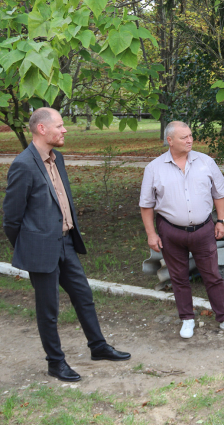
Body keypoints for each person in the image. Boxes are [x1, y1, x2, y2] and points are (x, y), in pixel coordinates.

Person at [3, 108, 131, 382]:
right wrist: (28, 247)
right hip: (41, 250)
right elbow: (11, 219)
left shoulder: (56, 158)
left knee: (84, 296)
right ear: (41, 129)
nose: (64, 130)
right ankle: (55, 363)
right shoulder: (23, 165)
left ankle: (98, 347)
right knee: (48, 310)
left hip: (66, 243)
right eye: (59, 125)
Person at [139, 121, 224, 339]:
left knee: (212, 275)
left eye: (190, 136)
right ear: (169, 140)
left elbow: (219, 194)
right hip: (170, 232)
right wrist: (151, 234)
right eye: (184, 137)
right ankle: (187, 318)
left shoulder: (206, 162)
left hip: (204, 230)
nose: (190, 140)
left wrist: (221, 221)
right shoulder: (154, 168)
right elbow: (146, 205)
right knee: (178, 277)